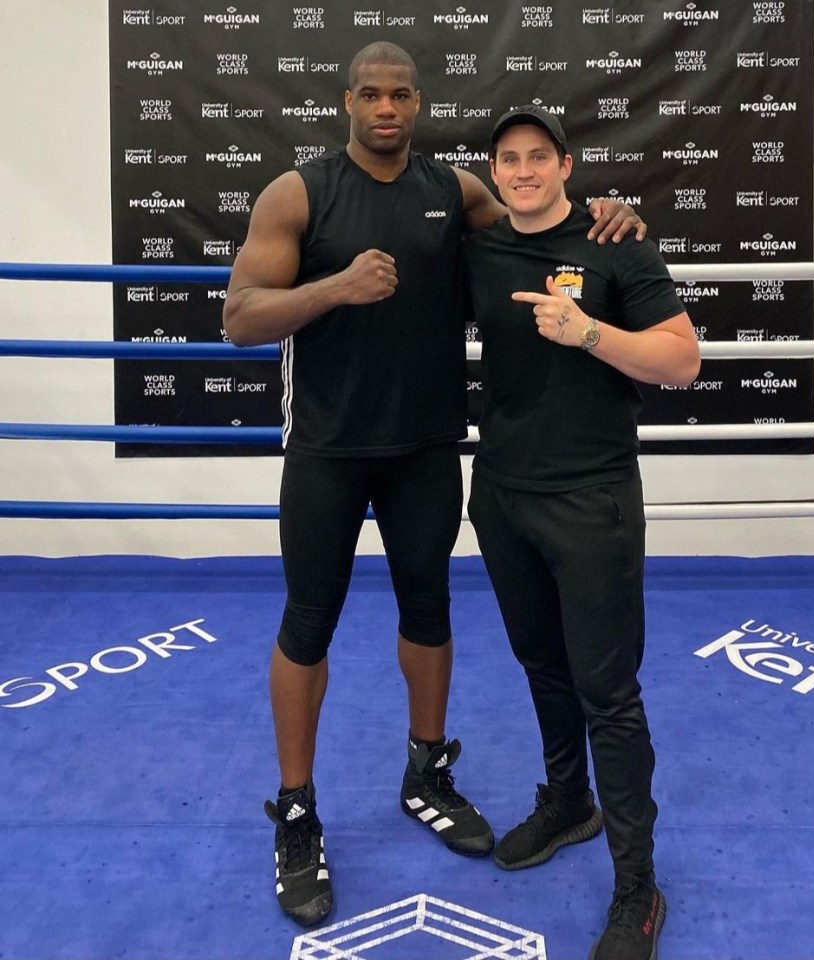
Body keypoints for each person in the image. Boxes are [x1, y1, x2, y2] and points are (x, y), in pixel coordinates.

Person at [222, 43, 644, 927]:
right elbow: (239, 316)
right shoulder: (299, 192)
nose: (386, 106)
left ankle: (427, 770)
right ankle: (297, 811)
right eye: (370, 93)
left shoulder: (456, 190)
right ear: (347, 101)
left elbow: (542, 221)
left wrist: (607, 208)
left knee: (429, 609)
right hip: (328, 452)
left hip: (425, 450)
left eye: (401, 93)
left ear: (419, 102)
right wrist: (334, 286)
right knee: (309, 619)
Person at [464, 105, 701, 960]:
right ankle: (570, 801)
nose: (522, 171)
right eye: (508, 159)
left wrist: (591, 332)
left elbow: (681, 362)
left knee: (610, 692)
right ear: (495, 172)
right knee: (542, 663)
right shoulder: (479, 245)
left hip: (592, 499)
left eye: (537, 157)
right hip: (500, 495)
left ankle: (638, 885)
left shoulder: (617, 243)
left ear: (566, 165)